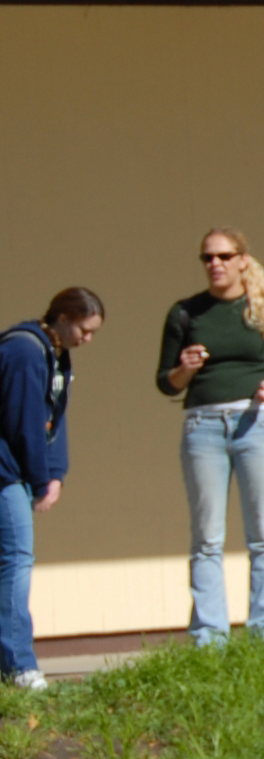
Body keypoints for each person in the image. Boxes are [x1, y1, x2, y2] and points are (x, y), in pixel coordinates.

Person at [158, 229, 264, 647]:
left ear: (242, 259)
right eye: (207, 258)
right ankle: (209, 636)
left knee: (263, 533)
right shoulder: (185, 313)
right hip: (203, 426)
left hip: (257, 423)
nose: (215, 264)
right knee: (206, 537)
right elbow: (166, 383)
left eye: (224, 256)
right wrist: (185, 368)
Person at [0, 288, 105, 691]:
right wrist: (39, 476)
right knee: (16, 559)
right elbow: (24, 422)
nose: (87, 338)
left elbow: (53, 419)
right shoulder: (25, 351)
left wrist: (56, 471)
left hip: (18, 472)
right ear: (61, 317)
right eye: (83, 328)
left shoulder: (56, 355)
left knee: (12, 560)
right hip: (6, 471)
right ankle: (19, 665)